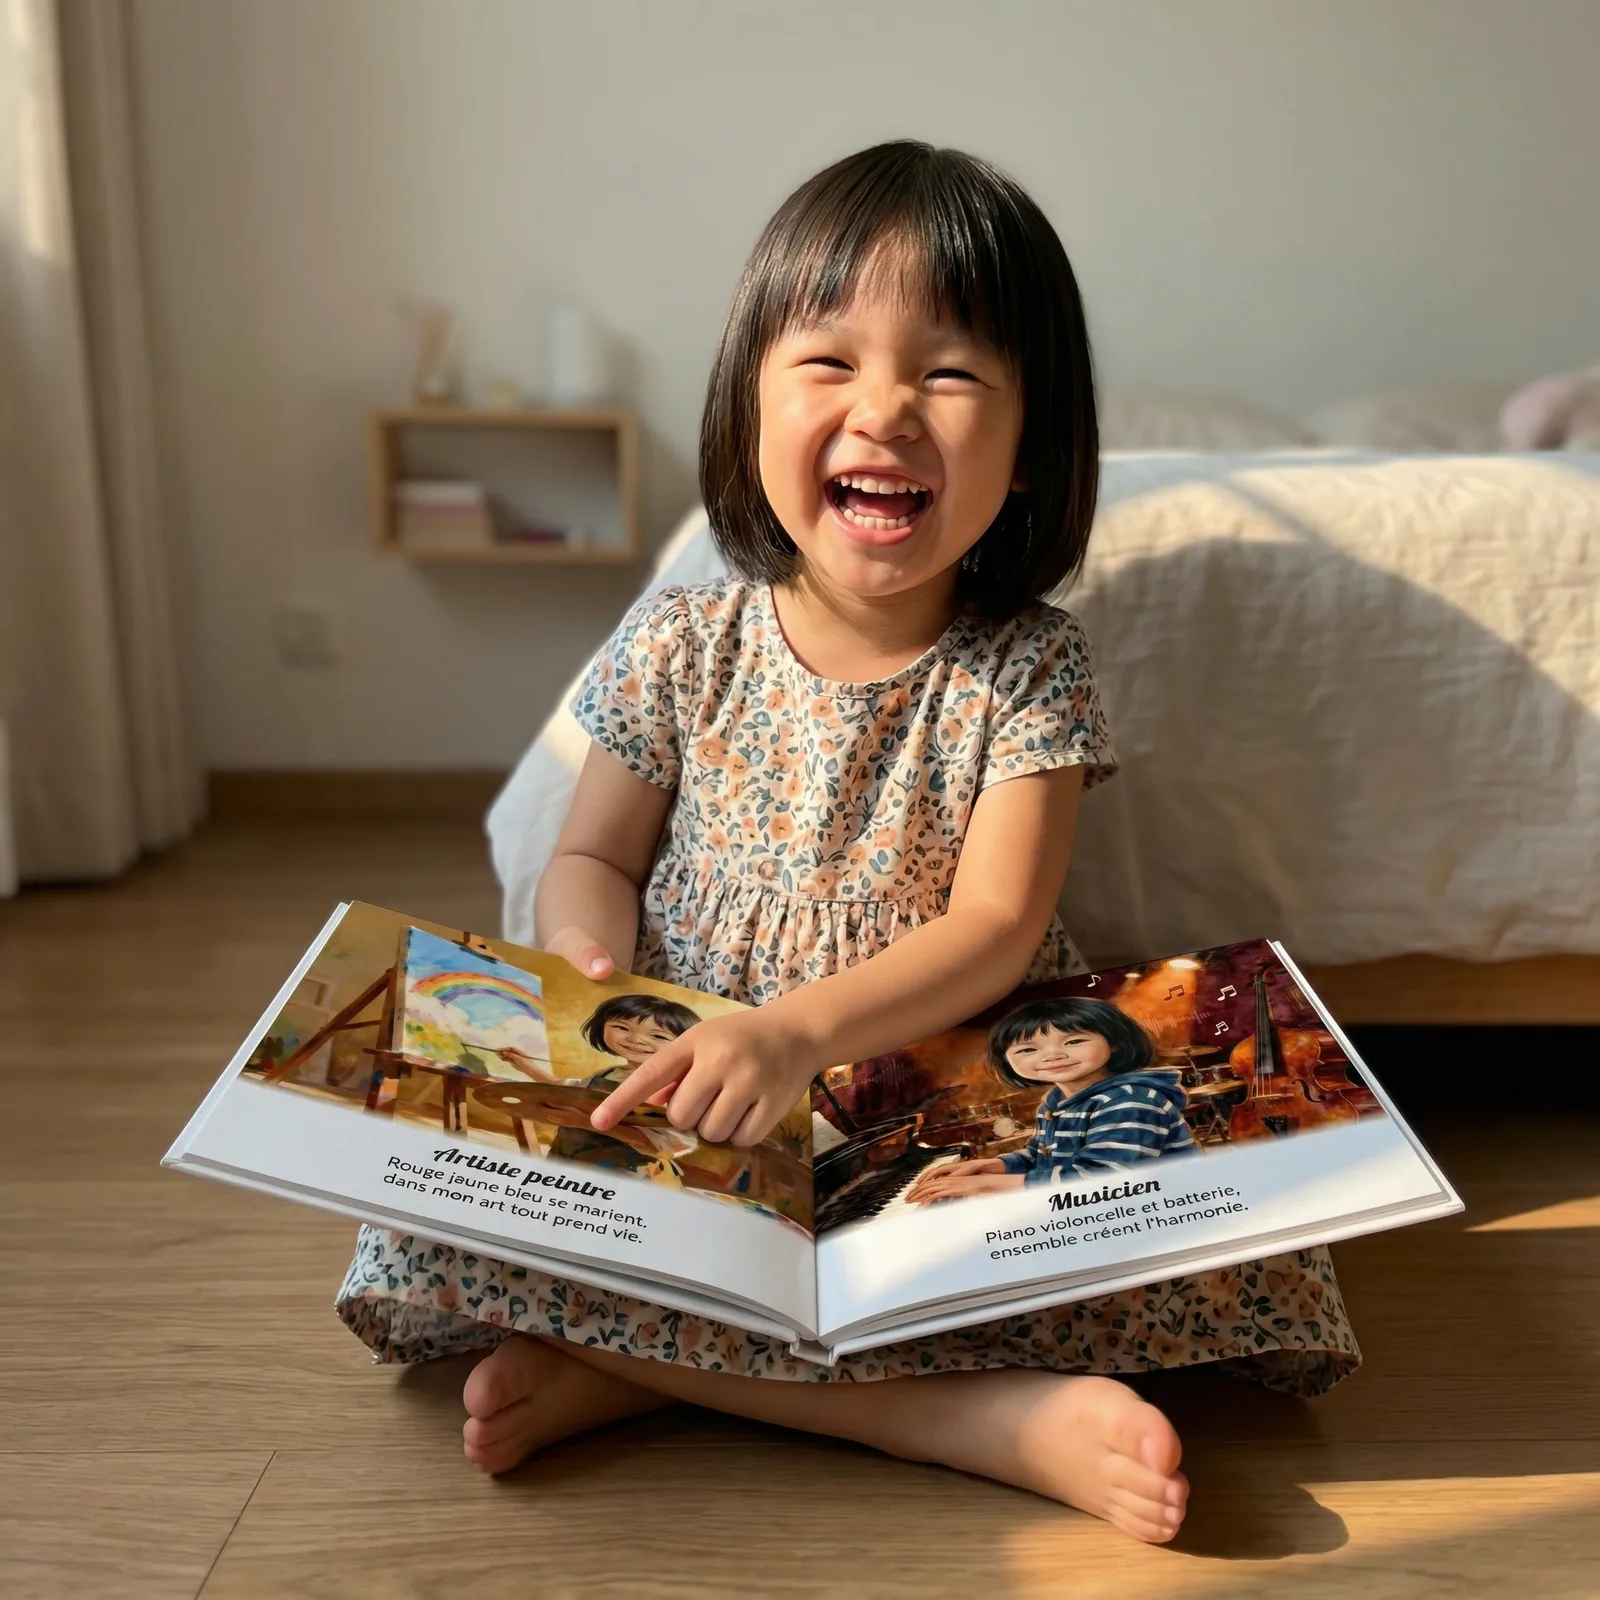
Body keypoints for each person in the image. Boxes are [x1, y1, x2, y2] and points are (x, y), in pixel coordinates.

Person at [335, 140, 1359, 1544]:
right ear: (749, 400)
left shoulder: (1029, 666)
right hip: (691, 1078)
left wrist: (799, 1035)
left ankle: (640, 1373)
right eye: (828, 361)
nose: (885, 410)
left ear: (1031, 441)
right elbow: (592, 861)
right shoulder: (682, 640)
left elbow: (998, 928)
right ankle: (970, 1417)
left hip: (929, 1085)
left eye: (948, 374)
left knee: (1240, 1222)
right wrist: (589, 960)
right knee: (433, 1206)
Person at [904, 999, 1193, 1204]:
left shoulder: (1131, 1102)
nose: (1052, 1055)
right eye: (1028, 1049)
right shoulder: (1056, 1102)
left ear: (1114, 1041)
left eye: (1073, 1042)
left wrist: (984, 1184)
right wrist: (988, 1167)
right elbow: (1039, 1159)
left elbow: (1103, 1181)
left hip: (1161, 1214)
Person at [579, 993, 701, 1092]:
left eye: (658, 1036)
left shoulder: (671, 1085)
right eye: (622, 1028)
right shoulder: (610, 1072)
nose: (636, 1040)